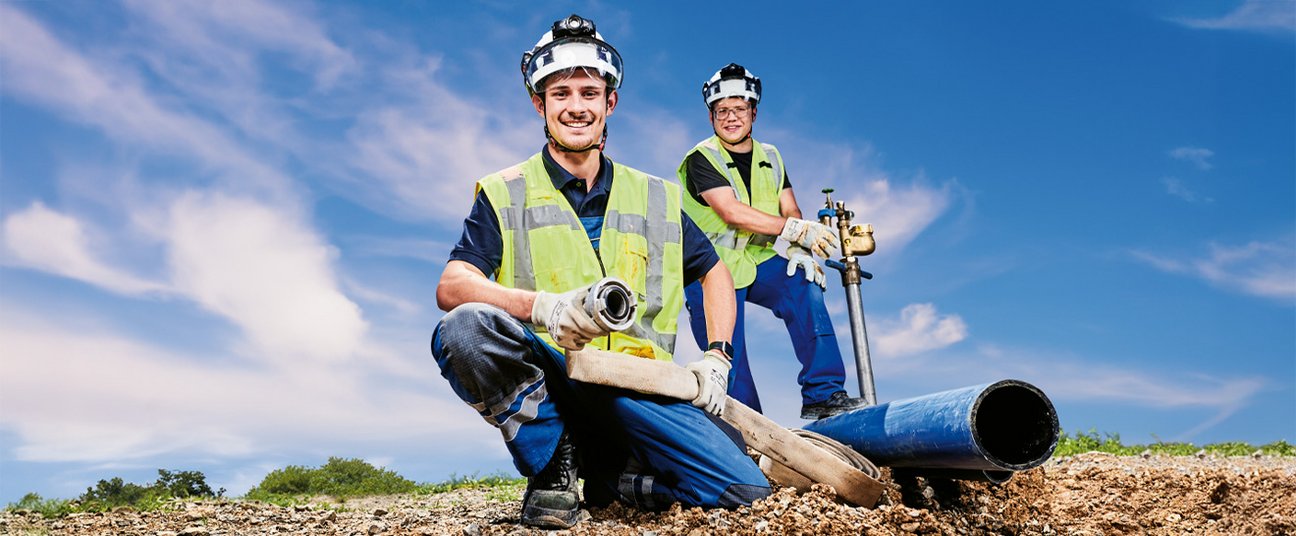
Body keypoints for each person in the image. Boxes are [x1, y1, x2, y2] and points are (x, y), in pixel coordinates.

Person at [431, 16, 770, 530]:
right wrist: (544, 307)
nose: (575, 106)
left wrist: (718, 357)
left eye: (590, 92)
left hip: (642, 385)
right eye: (560, 92)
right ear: (539, 105)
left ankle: (613, 478)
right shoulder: (506, 191)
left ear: (609, 103)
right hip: (556, 377)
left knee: (745, 491)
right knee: (466, 330)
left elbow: (715, 271)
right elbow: (452, 287)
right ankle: (552, 467)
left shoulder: (654, 195)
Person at [677, 63, 867, 420]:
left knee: (803, 281)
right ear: (711, 116)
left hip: (756, 259)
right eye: (722, 112)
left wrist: (800, 247)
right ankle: (748, 432)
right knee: (730, 359)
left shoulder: (772, 157)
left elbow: (789, 206)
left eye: (739, 109)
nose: (730, 118)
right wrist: (793, 231)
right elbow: (730, 211)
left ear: (754, 112)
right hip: (709, 268)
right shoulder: (702, 157)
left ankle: (822, 395)